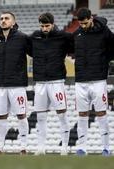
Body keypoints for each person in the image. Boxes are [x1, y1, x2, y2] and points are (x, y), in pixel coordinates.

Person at [29, 12, 74, 155]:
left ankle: (64, 146)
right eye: (42, 26)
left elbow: (73, 48)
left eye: (47, 26)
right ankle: (41, 147)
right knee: (41, 116)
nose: (44, 29)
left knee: (62, 115)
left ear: (53, 24)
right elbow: (30, 51)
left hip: (57, 81)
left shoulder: (63, 36)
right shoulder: (34, 37)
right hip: (40, 82)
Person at [73, 7, 114, 156]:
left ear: (91, 18)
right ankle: (82, 148)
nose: (83, 26)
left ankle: (106, 148)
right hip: (81, 81)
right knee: (82, 114)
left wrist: (104, 60)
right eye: (80, 23)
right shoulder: (76, 34)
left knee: (101, 113)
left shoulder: (103, 31)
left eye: (85, 23)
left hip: (98, 80)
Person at [0, 11, 30, 155]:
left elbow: (34, 53)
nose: (3, 21)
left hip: (17, 85)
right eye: (1, 18)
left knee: (21, 115)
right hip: (0, 85)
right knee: (1, 116)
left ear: (13, 22)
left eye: (6, 18)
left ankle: (23, 146)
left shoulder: (22, 38)